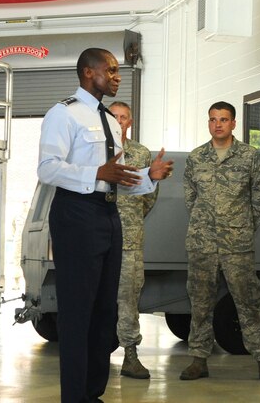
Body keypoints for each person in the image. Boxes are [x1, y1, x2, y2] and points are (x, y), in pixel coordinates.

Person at [37, 48, 173, 403]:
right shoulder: (63, 114)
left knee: (104, 311)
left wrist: (149, 176)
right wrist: (94, 173)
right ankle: (75, 397)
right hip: (76, 215)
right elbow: (47, 168)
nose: (117, 76)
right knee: (78, 310)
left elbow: (119, 177)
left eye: (118, 71)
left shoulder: (111, 121)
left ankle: (93, 393)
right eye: (110, 70)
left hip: (109, 215)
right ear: (87, 73)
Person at [180, 101, 260, 383]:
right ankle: (198, 360)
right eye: (213, 120)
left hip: (237, 244)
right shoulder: (197, 157)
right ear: (208, 123)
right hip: (202, 243)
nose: (218, 124)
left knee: (248, 301)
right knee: (200, 303)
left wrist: (241, 227)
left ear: (233, 123)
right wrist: (206, 223)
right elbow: (191, 197)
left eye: (223, 119)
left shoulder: (249, 156)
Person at [109, 101, 158, 379]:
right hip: (98, 238)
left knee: (128, 298)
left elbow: (149, 196)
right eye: (114, 117)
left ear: (130, 122)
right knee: (95, 298)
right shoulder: (94, 152)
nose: (119, 121)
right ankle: (94, 353)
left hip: (129, 240)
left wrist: (131, 219)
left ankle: (130, 355)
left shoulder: (141, 153)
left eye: (123, 117)